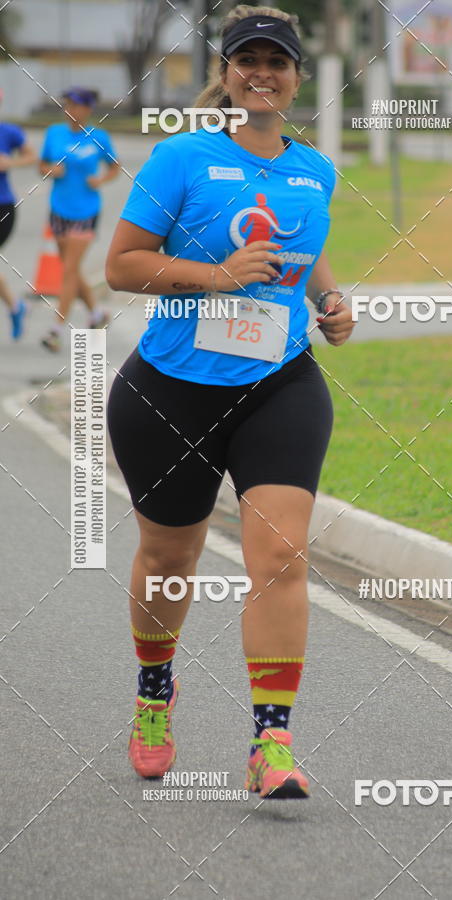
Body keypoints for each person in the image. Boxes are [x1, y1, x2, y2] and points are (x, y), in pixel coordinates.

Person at [106, 4, 354, 799]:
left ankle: (271, 740)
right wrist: (215, 276)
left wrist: (329, 297)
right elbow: (122, 266)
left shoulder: (315, 169)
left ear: (296, 77)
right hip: (170, 390)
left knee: (279, 557)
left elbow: (303, 252)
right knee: (169, 559)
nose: (262, 72)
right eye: (246, 60)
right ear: (225, 75)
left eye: (276, 62)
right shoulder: (180, 158)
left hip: (279, 384)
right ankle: (155, 691)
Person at [39, 88, 120, 352]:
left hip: (87, 211)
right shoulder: (54, 133)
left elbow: (114, 167)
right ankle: (97, 313)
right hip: (59, 209)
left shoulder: (99, 138)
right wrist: (51, 170)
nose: (70, 111)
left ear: (88, 109)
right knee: (70, 269)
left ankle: (55, 330)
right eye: (67, 105)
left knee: (70, 270)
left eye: (75, 106)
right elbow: (42, 164)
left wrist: (101, 180)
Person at [0, 88, 36, 339]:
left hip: (3, 206)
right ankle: (15, 307)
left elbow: (32, 156)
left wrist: (9, 163)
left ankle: (15, 307)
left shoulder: (8, 132)